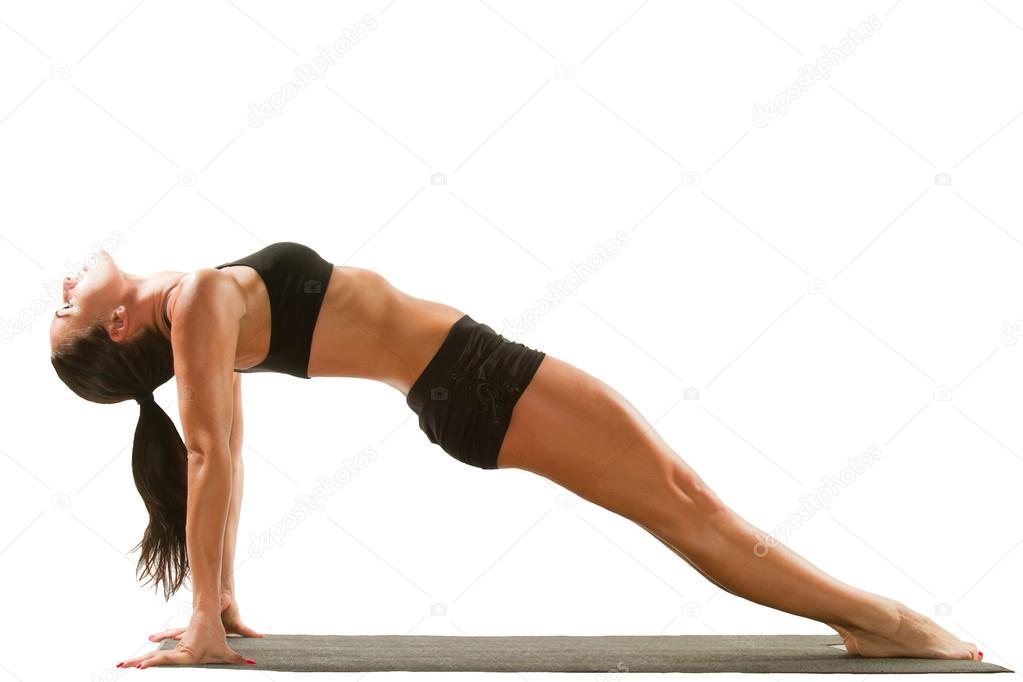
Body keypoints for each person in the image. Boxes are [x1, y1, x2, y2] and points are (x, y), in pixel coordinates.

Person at [49, 242, 982, 669]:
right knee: (684, 504)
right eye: (66, 311)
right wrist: (205, 625)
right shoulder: (201, 301)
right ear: (118, 325)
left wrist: (218, 599)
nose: (60, 286)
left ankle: (872, 619)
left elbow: (226, 451)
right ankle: (884, 621)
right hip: (477, 383)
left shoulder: (195, 314)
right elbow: (211, 455)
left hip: (471, 382)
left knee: (682, 497)